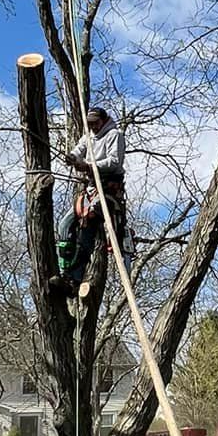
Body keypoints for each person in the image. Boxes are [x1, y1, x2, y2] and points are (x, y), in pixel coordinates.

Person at [51, 103, 128, 299]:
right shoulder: (88, 136)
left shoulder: (114, 135)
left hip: (108, 189)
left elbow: (114, 162)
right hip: (92, 188)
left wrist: (88, 166)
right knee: (65, 225)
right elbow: (79, 149)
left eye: (95, 123)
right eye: (90, 123)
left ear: (103, 120)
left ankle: (74, 280)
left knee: (88, 229)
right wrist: (72, 158)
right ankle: (65, 273)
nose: (93, 127)